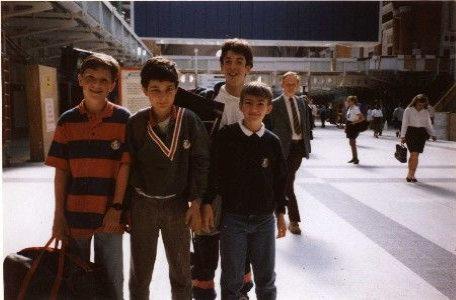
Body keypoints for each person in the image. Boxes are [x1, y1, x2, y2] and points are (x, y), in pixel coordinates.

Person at [45, 53, 130, 299]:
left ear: (113, 85)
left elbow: (125, 167)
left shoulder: (123, 120)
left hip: (109, 217)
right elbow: (62, 172)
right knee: (75, 281)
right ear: (80, 80)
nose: (97, 85)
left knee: (112, 279)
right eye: (91, 78)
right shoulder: (66, 121)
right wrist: (58, 215)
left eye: (104, 80)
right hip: (75, 215)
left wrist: (117, 208)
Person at [127, 56, 209, 299]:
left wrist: (196, 201)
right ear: (145, 90)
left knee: (182, 272)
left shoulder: (189, 120)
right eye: (155, 90)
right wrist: (125, 207)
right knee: (140, 273)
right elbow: (127, 166)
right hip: (143, 204)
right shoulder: (136, 123)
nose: (162, 96)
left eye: (168, 90)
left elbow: (200, 162)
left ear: (176, 90)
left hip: (177, 204)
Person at [202, 82, 287, 300]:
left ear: (269, 108)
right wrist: (208, 203)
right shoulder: (226, 137)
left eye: (260, 104)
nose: (254, 108)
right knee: (231, 278)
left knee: (266, 278)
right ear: (240, 106)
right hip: (233, 219)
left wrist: (281, 213)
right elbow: (214, 174)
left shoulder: (273, 142)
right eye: (248, 103)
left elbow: (280, 181)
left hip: (264, 220)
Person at [189, 38, 255, 300]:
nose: (233, 66)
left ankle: (239, 294)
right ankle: (203, 293)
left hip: (244, 190)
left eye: (239, 62)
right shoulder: (206, 101)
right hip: (209, 189)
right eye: (228, 61)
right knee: (204, 244)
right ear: (221, 65)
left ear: (249, 67)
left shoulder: (257, 103)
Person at [265, 72, 311, 235]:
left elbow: (305, 125)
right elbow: (268, 125)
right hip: (280, 148)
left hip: (297, 149)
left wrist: (307, 144)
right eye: (287, 84)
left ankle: (286, 218)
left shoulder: (301, 102)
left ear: (297, 85)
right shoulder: (275, 104)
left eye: (293, 84)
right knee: (285, 183)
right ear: (282, 85)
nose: (290, 87)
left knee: (286, 182)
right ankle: (292, 220)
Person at [400, 94, 436, 182]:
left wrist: (432, 134)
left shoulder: (425, 112)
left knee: (415, 155)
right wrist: (402, 136)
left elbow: (428, 124)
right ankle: (410, 174)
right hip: (411, 133)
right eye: (419, 104)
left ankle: (412, 175)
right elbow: (404, 123)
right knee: (414, 154)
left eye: (422, 105)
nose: (420, 106)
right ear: (415, 102)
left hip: (421, 134)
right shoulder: (408, 110)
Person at [344, 95, 365, 164]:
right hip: (349, 125)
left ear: (353, 101)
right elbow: (348, 117)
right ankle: (354, 157)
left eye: (349, 101)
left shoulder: (356, 108)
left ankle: (355, 158)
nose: (347, 102)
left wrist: (354, 122)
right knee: (351, 143)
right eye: (347, 101)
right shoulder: (350, 108)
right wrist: (346, 126)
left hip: (353, 126)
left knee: (352, 142)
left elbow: (362, 118)